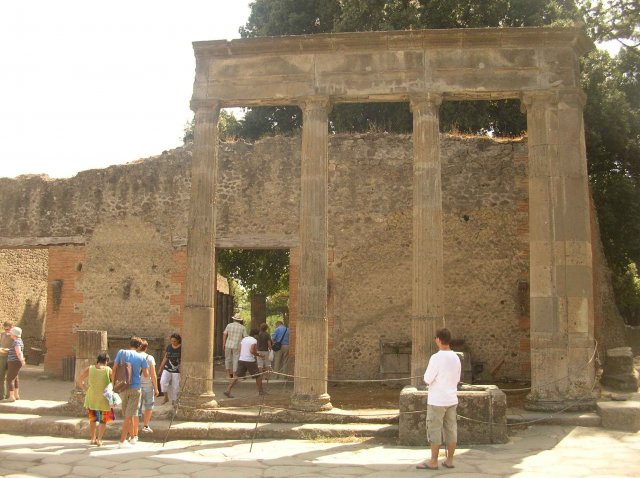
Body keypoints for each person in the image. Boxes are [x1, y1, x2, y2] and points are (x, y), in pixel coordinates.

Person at [416, 328, 461, 470]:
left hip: (437, 400)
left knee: (434, 429)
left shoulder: (436, 358)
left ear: (438, 339)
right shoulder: (456, 357)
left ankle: (433, 461)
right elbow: (457, 378)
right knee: (451, 430)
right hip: (451, 399)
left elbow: (427, 379)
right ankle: (450, 460)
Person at [112, 336, 149, 448]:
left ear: (130, 344)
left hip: (122, 387)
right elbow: (146, 375)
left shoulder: (121, 353)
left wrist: (113, 385)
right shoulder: (142, 357)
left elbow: (114, 368)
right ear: (139, 346)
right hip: (135, 387)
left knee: (129, 413)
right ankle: (122, 441)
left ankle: (133, 437)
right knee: (129, 415)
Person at [76, 352, 114, 446]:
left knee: (92, 418)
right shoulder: (108, 370)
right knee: (103, 420)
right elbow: (114, 382)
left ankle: (92, 438)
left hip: (91, 396)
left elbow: (80, 379)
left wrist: (85, 388)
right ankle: (99, 439)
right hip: (104, 398)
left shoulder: (90, 368)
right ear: (106, 361)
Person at [223, 328, 264, 398]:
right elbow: (252, 351)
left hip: (242, 359)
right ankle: (261, 391)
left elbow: (239, 349)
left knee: (236, 376)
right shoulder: (254, 340)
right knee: (258, 376)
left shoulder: (244, 339)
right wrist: (259, 355)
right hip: (250, 360)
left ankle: (228, 390)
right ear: (255, 335)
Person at [137, 339, 159, 433]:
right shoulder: (150, 358)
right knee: (149, 406)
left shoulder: (134, 356)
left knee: (136, 408)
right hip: (148, 385)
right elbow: (153, 374)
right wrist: (156, 388)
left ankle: (135, 428)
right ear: (146, 348)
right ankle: (146, 425)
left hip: (136, 385)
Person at [1, 326, 25, 402]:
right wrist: (7, 350)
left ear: (14, 334)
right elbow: (15, 350)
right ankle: (16, 395)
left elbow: (18, 352)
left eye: (11, 333)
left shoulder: (16, 342)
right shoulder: (19, 340)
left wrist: (22, 360)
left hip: (14, 362)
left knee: (9, 379)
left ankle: (11, 397)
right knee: (15, 378)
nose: (10, 334)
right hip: (16, 362)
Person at [157, 333, 181, 406]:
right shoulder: (169, 347)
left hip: (176, 370)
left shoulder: (182, 348)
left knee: (175, 386)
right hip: (167, 368)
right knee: (162, 382)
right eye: (172, 341)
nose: (173, 342)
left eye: (174, 341)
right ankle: (166, 397)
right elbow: (165, 357)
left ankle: (174, 400)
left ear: (178, 341)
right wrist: (160, 368)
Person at [0, 321, 13, 399]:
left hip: (11, 357)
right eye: (5, 329)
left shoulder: (14, 336)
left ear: (11, 327)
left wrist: (8, 350)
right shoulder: (2, 334)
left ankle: (10, 395)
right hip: (2, 357)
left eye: (8, 329)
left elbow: (17, 347)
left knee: (10, 377)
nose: (6, 331)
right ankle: (1, 395)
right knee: (1, 376)